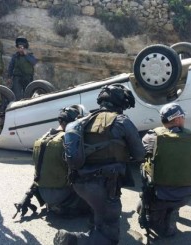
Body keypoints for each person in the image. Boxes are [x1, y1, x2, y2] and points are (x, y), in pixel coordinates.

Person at [54, 84, 145, 245]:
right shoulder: (122, 121)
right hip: (104, 185)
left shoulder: (82, 120)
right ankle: (74, 240)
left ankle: (94, 229)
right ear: (121, 103)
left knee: (98, 211)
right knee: (110, 237)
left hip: (79, 183)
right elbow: (140, 154)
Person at [137, 103, 191, 241]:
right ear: (177, 119)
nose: (184, 119)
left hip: (160, 196)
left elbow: (139, 155)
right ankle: (172, 210)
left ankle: (157, 213)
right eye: (183, 117)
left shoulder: (151, 136)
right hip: (187, 195)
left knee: (144, 168)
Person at [14, 105, 91, 219]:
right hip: (62, 195)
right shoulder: (67, 140)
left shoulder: (42, 140)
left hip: (45, 194)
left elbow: (42, 173)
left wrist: (27, 196)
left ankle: (56, 205)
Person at [7, 36, 37, 101]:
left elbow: (34, 62)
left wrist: (26, 55)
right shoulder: (15, 56)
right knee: (17, 94)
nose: (20, 49)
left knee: (28, 94)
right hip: (17, 78)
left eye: (21, 47)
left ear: (25, 48)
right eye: (19, 47)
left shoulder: (30, 55)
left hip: (27, 78)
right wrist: (9, 77)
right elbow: (11, 67)